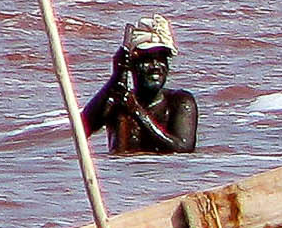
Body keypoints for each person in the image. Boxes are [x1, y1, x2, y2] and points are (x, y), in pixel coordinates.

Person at [84, 16, 199, 154]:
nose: (156, 66)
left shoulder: (180, 102)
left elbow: (183, 148)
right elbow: (82, 128)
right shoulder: (116, 101)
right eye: (147, 60)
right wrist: (116, 78)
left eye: (161, 59)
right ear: (132, 64)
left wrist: (137, 111)